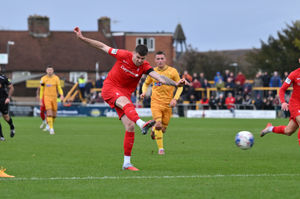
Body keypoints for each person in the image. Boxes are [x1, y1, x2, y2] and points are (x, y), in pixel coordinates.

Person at [74, 27, 186, 170]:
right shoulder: (123, 54)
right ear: (133, 54)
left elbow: (160, 77)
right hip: (110, 88)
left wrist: (176, 83)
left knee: (129, 126)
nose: (139, 60)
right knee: (128, 106)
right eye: (137, 57)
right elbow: (102, 46)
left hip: (124, 94)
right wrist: (82, 39)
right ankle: (142, 124)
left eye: (142, 58)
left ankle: (126, 163)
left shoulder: (145, 66)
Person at [140, 51, 183, 155]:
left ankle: (154, 129)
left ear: (165, 59)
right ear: (155, 60)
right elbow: (145, 84)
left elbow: (180, 86)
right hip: (155, 102)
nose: (160, 61)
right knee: (158, 124)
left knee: (162, 129)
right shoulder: (152, 72)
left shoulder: (173, 71)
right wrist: (144, 92)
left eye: (161, 58)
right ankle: (161, 149)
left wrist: (175, 99)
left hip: (168, 104)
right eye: (158, 59)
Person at [261, 58, 300, 145]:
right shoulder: (294, 74)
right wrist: (283, 102)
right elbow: (282, 89)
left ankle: (270, 128)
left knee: (288, 131)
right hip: (295, 104)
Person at [40, 66, 64, 135]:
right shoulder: (43, 79)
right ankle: (51, 129)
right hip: (46, 97)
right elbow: (41, 90)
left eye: (51, 70)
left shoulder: (56, 78)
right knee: (49, 113)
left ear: (53, 71)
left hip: (54, 98)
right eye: (48, 70)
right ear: (46, 71)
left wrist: (61, 95)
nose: (50, 71)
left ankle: (49, 125)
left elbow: (59, 88)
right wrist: (41, 100)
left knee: (54, 115)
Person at [0, 67, 15, 141]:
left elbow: (11, 88)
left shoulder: (4, 78)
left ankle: (12, 127)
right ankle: (1, 136)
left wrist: (8, 98)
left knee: (5, 117)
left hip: (3, 100)